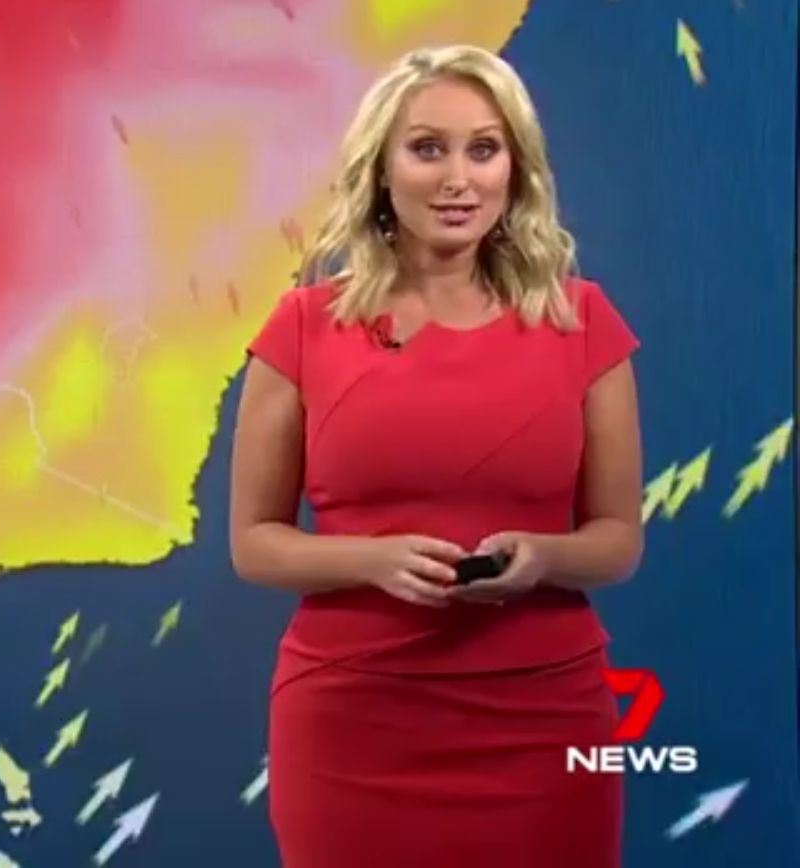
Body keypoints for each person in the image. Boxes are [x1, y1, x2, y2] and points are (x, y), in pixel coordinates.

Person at [229, 44, 643, 868]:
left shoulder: (581, 321)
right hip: (353, 723)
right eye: (427, 149)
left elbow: (617, 540)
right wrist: (373, 560)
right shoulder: (303, 327)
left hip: (544, 718)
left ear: (515, 170)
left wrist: (542, 557)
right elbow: (255, 544)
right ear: (382, 170)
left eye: (484, 150)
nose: (459, 179)